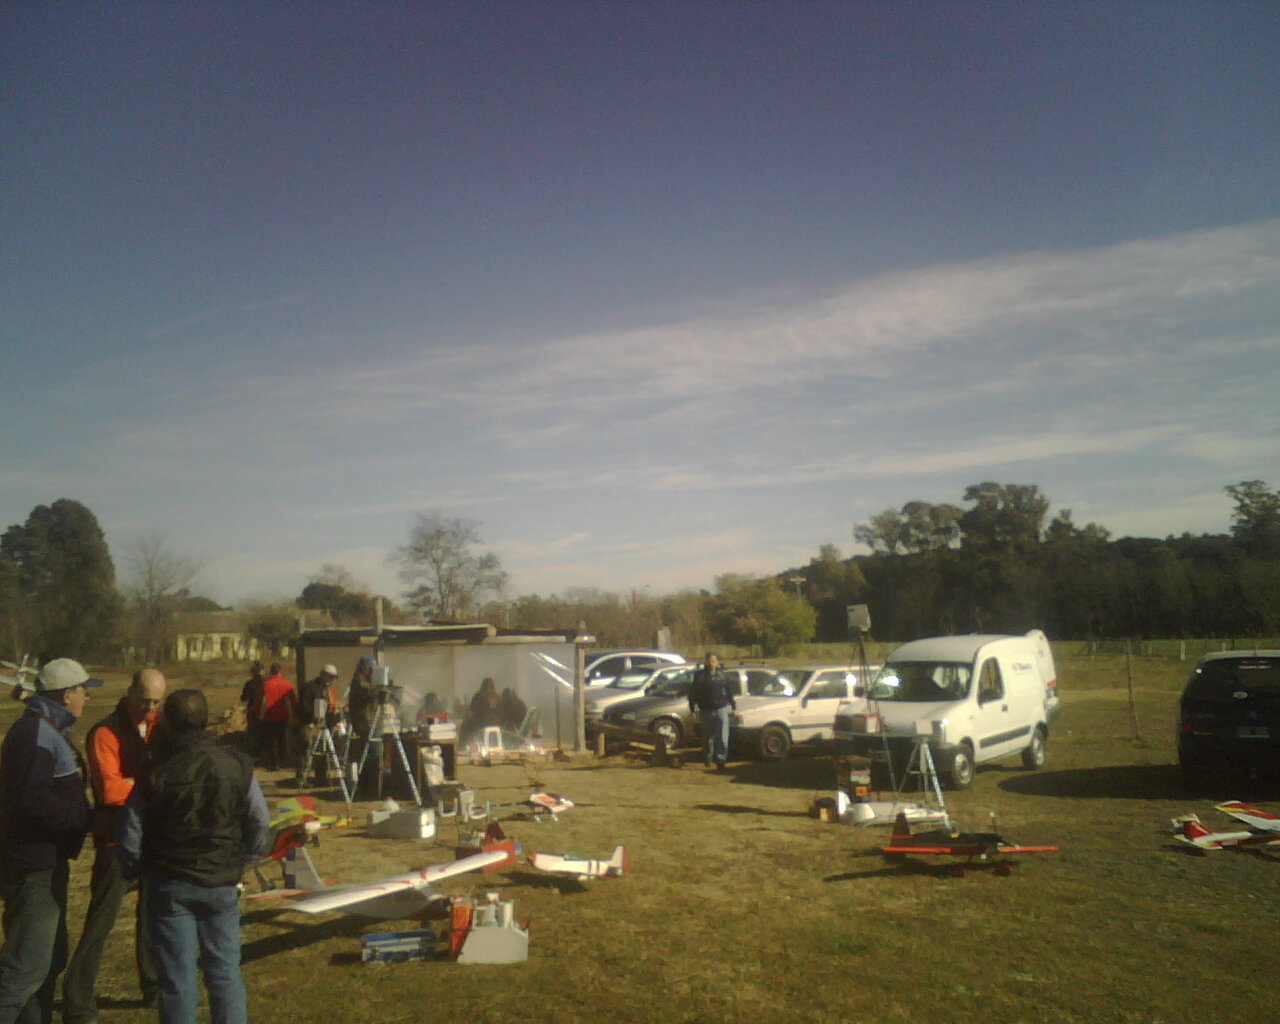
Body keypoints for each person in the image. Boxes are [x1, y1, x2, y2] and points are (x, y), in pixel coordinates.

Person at [116, 689, 270, 1024]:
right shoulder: (235, 765)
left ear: (168, 723)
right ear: (205, 720)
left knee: (177, 977)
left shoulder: (155, 771)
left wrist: (135, 870)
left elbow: (131, 831)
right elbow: (259, 820)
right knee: (225, 971)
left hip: (170, 880)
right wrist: (246, 859)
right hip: (221, 879)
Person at [62, 669, 166, 1023]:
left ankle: (153, 986)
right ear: (130, 692)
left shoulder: (161, 727)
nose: (149, 708)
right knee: (100, 922)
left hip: (151, 837)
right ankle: (77, 998)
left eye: (156, 702)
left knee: (152, 918)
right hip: (115, 841)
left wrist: (139, 784)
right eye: (144, 701)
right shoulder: (105, 732)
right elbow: (109, 790)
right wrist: (153, 785)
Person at [0, 658, 99, 1024]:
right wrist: (83, 819)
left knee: (49, 959)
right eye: (84, 690)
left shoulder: (46, 730)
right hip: (33, 869)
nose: (87, 697)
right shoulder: (35, 735)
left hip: (45, 864)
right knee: (24, 968)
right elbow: (30, 800)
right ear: (67, 694)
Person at [688, 653, 736, 770]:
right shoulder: (700, 676)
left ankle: (721, 760)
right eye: (709, 661)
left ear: (717, 662)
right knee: (707, 737)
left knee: (722, 737)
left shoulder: (723, 675)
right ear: (706, 662)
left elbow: (729, 691)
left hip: (721, 709)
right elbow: (693, 693)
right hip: (705, 710)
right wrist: (692, 708)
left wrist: (733, 706)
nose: (711, 663)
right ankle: (708, 758)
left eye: (713, 661)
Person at [296, 664, 338, 785]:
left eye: (333, 678)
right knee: (306, 750)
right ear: (323, 675)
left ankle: (321, 778)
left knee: (322, 751)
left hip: (322, 724)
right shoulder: (310, 687)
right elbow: (304, 706)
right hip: (309, 724)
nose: (331, 680)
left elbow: (329, 708)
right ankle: (302, 779)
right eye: (330, 677)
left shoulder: (327, 690)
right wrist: (311, 720)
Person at [254, 663, 296, 771]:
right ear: (280, 672)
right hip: (283, 715)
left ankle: (274, 763)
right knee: (282, 739)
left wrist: (257, 713)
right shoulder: (287, 684)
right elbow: (293, 702)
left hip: (269, 716)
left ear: (271, 672)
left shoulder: (266, 684)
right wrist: (295, 715)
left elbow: (259, 701)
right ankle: (283, 762)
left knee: (271, 740)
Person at [237, 662, 264, 760]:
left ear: (252, 672)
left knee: (253, 733)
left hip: (252, 711)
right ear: (262, 671)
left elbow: (244, 698)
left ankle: (254, 754)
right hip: (265, 710)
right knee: (264, 732)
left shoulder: (249, 684)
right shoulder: (267, 682)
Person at [344, 657, 377, 740]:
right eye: (370, 669)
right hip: (364, 721)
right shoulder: (359, 680)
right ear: (364, 668)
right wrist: (379, 688)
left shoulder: (367, 681)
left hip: (368, 720)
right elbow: (368, 691)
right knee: (370, 744)